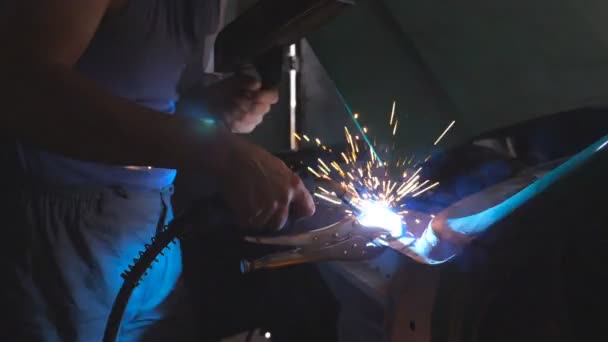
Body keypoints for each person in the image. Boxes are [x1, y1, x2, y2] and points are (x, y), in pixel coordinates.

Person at [0, 0, 315, 340]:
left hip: (154, 219)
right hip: (63, 236)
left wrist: (208, 107)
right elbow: (21, 90)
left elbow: (143, 92)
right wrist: (219, 152)